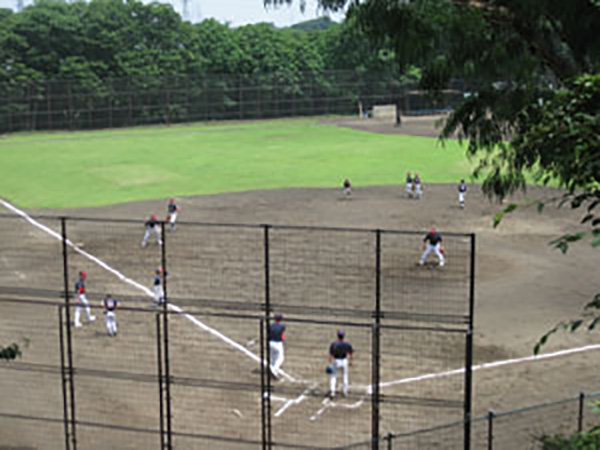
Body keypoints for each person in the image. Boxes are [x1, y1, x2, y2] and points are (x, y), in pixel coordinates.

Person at [328, 329, 353, 399]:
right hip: (344, 361)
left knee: (333, 376)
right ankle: (345, 392)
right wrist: (350, 361)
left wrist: (330, 363)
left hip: (336, 361)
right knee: (345, 376)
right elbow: (350, 353)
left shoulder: (334, 344)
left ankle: (332, 392)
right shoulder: (347, 344)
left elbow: (331, 354)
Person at [268, 313, 286, 379]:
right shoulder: (282, 326)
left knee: (272, 358)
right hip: (278, 343)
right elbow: (282, 336)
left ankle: (272, 369)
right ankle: (274, 370)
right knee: (280, 358)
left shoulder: (270, 325)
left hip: (270, 343)